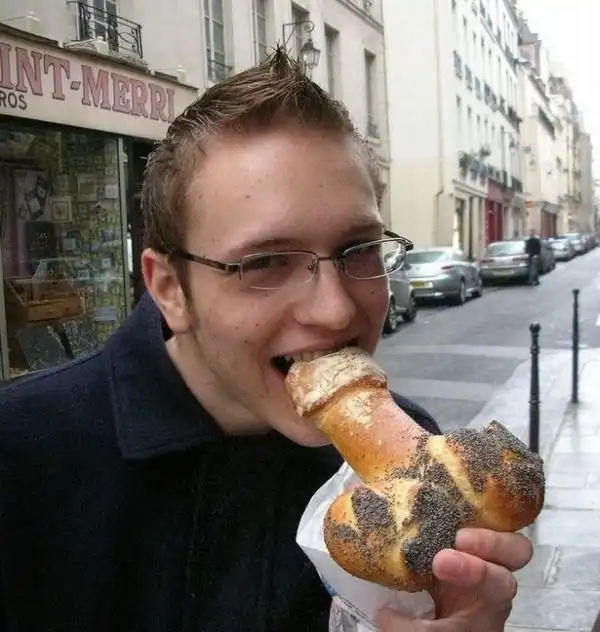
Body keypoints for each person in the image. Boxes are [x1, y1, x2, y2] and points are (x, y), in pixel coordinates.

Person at [0, 48, 532, 631]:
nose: (336, 309)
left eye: (358, 249)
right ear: (169, 288)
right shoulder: (23, 455)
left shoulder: (412, 469)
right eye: (266, 262)